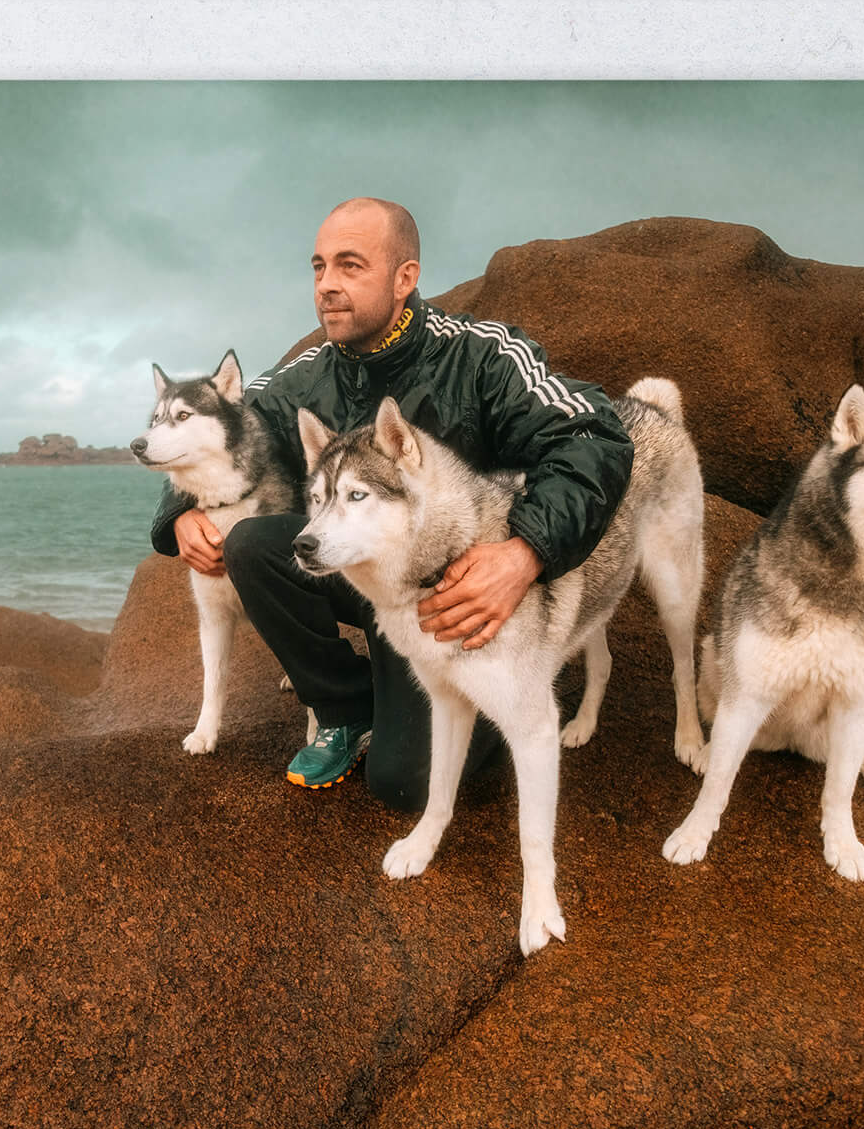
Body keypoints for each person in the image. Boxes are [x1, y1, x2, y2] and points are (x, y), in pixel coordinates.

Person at [148, 197, 635, 811]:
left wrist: (525, 552)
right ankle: (344, 706)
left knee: (405, 784)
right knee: (252, 545)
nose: (327, 285)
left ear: (405, 277)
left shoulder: (478, 355)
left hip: (458, 603)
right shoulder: (305, 375)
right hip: (368, 580)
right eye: (318, 267)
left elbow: (594, 436)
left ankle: (406, 705)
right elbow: (221, 426)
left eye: (350, 266)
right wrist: (178, 516)